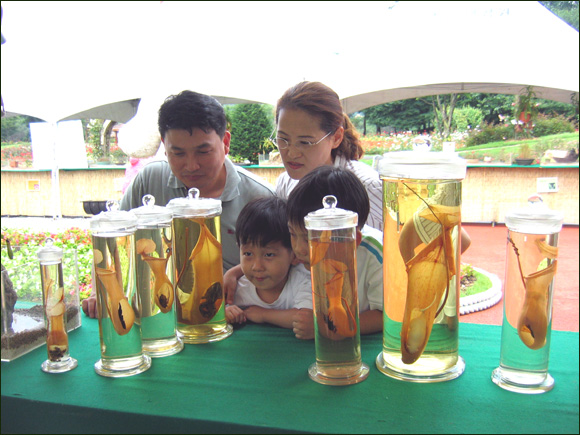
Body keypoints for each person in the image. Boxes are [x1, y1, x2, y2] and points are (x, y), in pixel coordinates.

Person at [83, 90, 275, 317]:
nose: (191, 166)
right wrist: (101, 290)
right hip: (159, 315)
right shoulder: (149, 179)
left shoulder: (260, 198)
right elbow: (113, 238)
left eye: (203, 151)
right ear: (164, 146)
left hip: (236, 319)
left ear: (225, 142)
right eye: (178, 153)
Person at [286, 166, 384, 338]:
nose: (299, 249)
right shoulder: (301, 256)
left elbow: (386, 316)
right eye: (293, 234)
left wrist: (325, 328)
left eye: (310, 239)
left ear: (351, 239)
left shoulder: (375, 256)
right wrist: (235, 274)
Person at [273, 81, 383, 231]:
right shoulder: (285, 184)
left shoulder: (368, 187)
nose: (291, 153)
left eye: (305, 142)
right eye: (283, 139)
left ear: (337, 137)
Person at [225, 197, 313, 338]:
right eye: (248, 253)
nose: (257, 266)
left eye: (269, 255)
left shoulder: (303, 281)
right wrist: (228, 313)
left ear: (294, 255)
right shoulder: (237, 288)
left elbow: (303, 318)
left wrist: (263, 314)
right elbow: (214, 312)